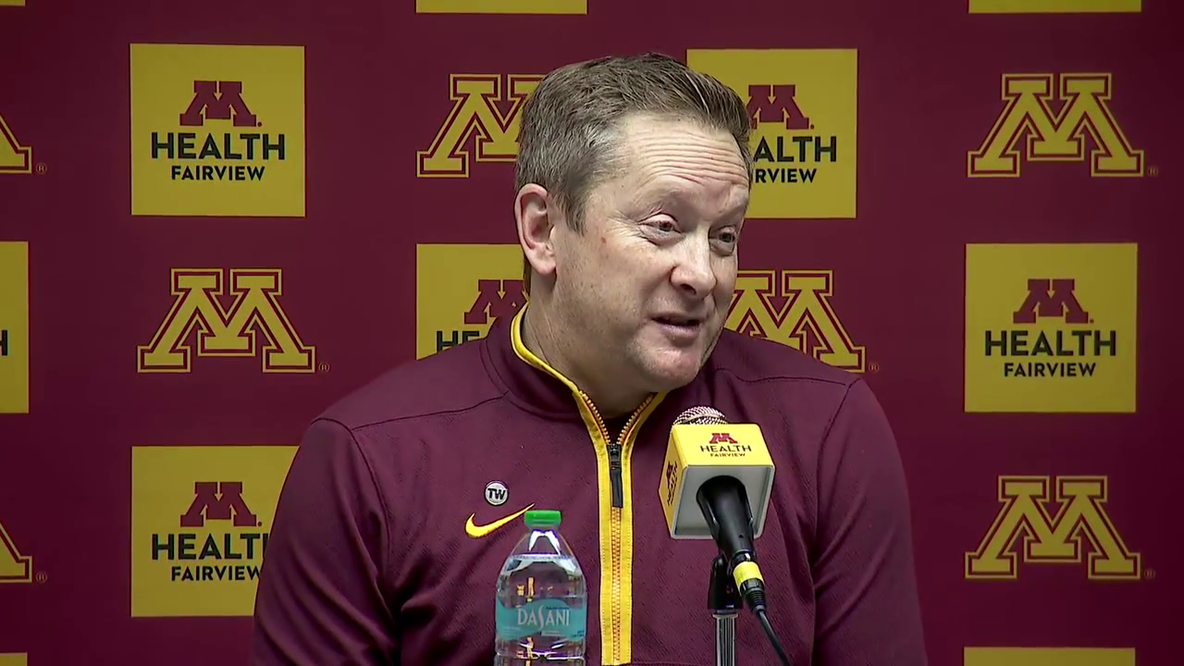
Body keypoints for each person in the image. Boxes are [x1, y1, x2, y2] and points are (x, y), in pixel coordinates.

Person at [249, 52, 928, 665]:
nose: (703, 274)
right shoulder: (369, 458)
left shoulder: (825, 428)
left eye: (724, 236)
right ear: (543, 231)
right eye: (663, 227)